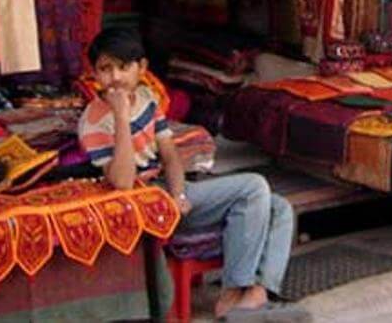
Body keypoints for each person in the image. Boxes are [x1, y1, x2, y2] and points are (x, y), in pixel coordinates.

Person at [79, 30, 308, 321]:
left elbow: (170, 154)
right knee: (253, 187)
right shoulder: (94, 119)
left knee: (280, 207)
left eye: (124, 67)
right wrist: (121, 117)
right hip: (140, 202)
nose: (116, 77)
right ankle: (231, 296)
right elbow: (122, 181)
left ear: (142, 68)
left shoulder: (147, 99)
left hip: (167, 193)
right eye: (105, 69)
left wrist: (179, 193)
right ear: (94, 74)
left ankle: (256, 296)